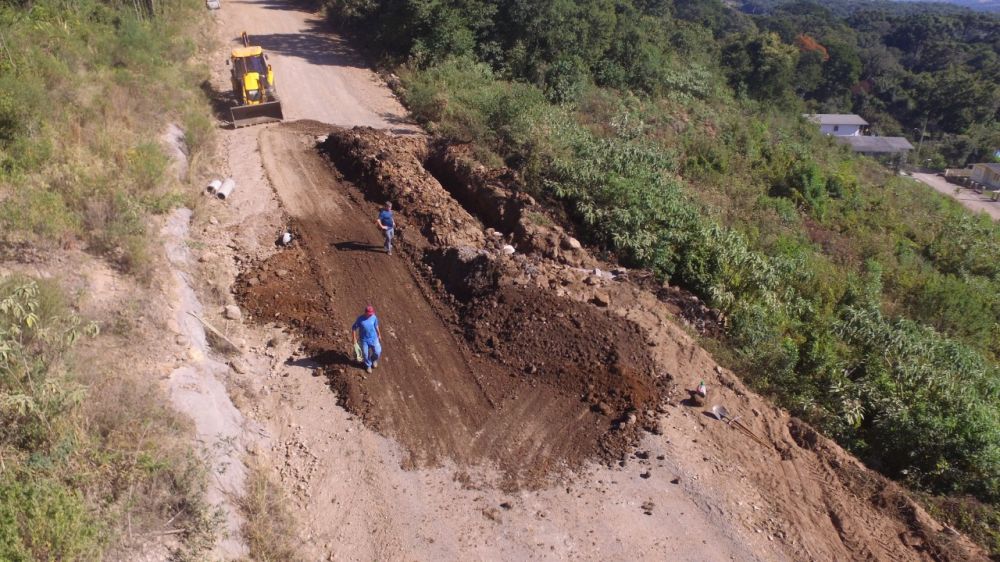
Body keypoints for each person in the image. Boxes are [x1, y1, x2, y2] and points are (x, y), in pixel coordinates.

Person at [352, 305, 383, 373]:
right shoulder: (360, 319)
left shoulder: (374, 317)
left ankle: (373, 360)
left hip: (374, 338)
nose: (371, 315)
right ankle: (368, 365)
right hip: (364, 340)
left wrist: (379, 334)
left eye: (371, 314)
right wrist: (354, 338)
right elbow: (354, 328)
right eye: (369, 314)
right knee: (365, 354)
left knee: (377, 352)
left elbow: (376, 325)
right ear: (365, 312)